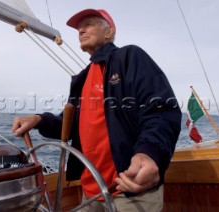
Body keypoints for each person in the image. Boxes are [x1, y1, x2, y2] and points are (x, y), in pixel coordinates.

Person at [12, 8, 182, 211]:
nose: (81, 31)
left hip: (129, 189)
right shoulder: (82, 79)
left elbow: (160, 109)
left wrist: (150, 152)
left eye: (88, 24)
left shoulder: (128, 57)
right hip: (90, 193)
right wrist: (40, 119)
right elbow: (72, 125)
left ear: (108, 32)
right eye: (79, 29)